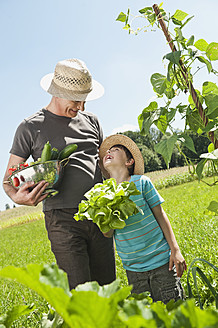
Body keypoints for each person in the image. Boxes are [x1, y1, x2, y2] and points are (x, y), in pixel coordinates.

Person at [3, 58, 116, 290]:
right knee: (80, 293)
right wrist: (18, 197)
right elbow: (8, 180)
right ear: (58, 92)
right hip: (62, 220)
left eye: (84, 100)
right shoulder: (30, 127)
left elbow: (106, 165)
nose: (81, 107)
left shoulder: (92, 121)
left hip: (99, 214)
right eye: (76, 100)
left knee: (107, 290)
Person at [99, 134, 187, 304]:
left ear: (129, 162)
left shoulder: (141, 183)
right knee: (146, 318)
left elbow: (161, 216)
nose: (108, 152)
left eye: (115, 150)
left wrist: (175, 250)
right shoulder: (103, 194)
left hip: (161, 263)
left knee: (174, 311)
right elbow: (108, 233)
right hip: (133, 270)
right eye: (107, 151)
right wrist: (106, 213)